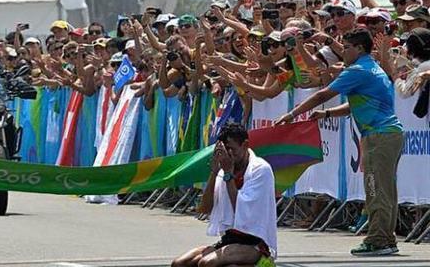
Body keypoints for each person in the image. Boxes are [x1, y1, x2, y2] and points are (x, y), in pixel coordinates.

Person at [275, 29, 403, 256]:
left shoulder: (357, 70)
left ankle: (379, 240)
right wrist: (326, 115)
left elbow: (321, 95)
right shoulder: (372, 68)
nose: (343, 52)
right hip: (387, 135)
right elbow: (358, 104)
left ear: (360, 49)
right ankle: (386, 238)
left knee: (376, 190)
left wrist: (292, 115)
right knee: (385, 190)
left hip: (379, 136)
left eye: (346, 48)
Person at [171, 122, 277, 267]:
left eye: (232, 149)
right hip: (229, 240)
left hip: (254, 244)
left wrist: (227, 174)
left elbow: (241, 211)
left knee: (206, 263)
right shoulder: (224, 170)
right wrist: (214, 172)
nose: (228, 154)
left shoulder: (260, 169)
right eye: (225, 150)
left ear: (245, 145)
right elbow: (204, 208)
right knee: (180, 263)